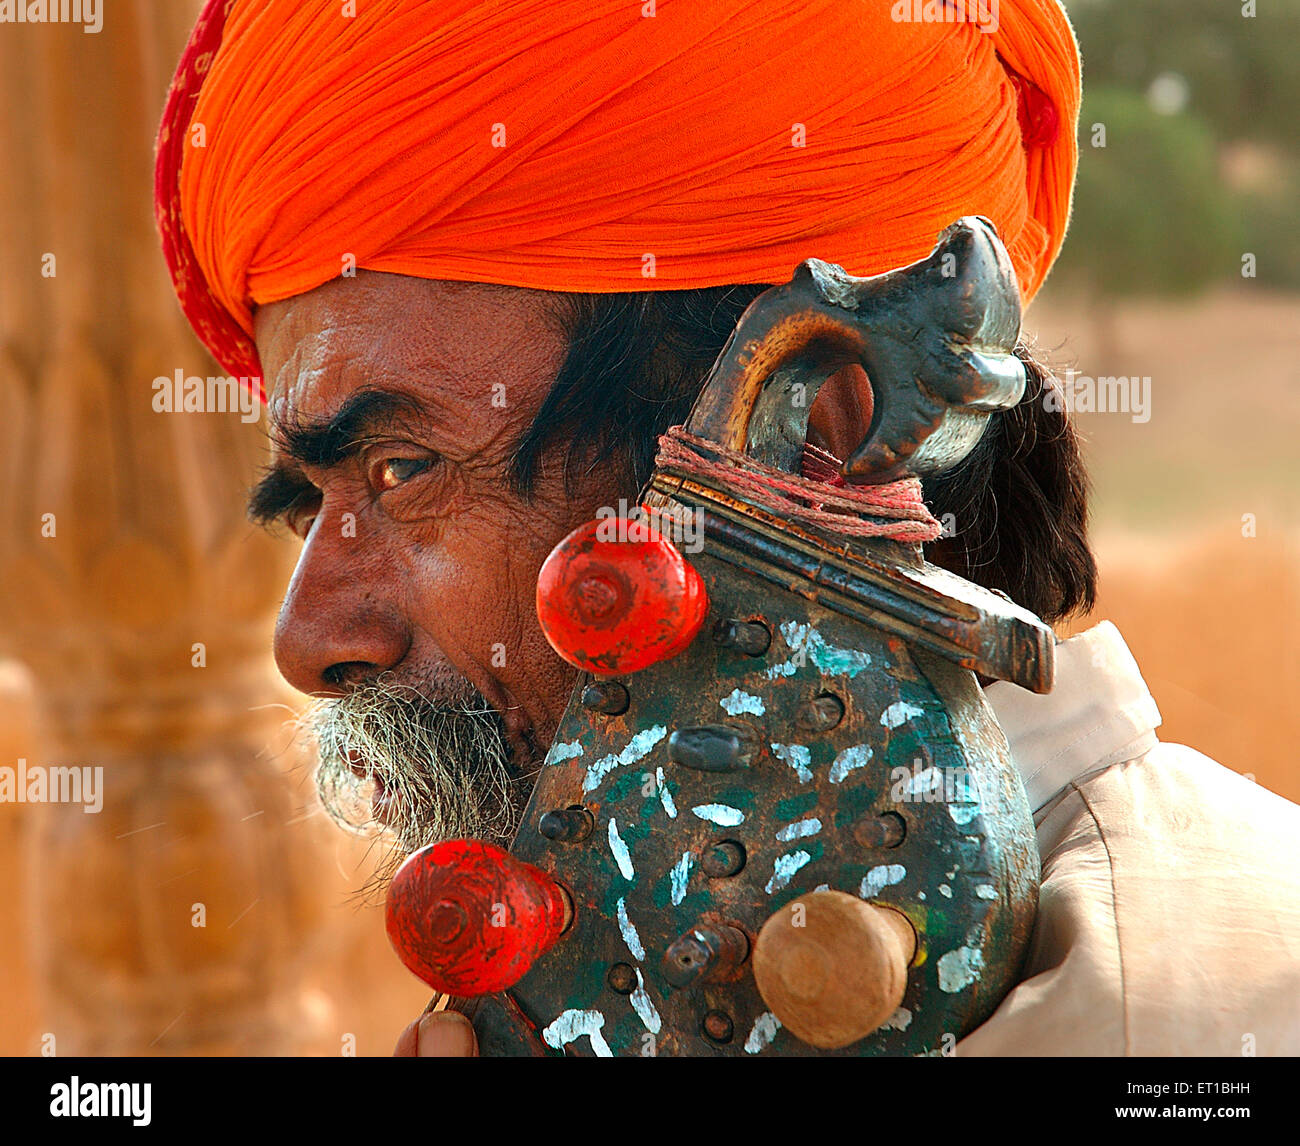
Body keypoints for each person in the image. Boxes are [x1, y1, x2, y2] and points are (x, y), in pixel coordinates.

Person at [156, 0, 1300, 1057]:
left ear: (811, 429)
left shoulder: (1193, 1018)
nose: (306, 641)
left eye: (402, 469)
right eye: (309, 507)